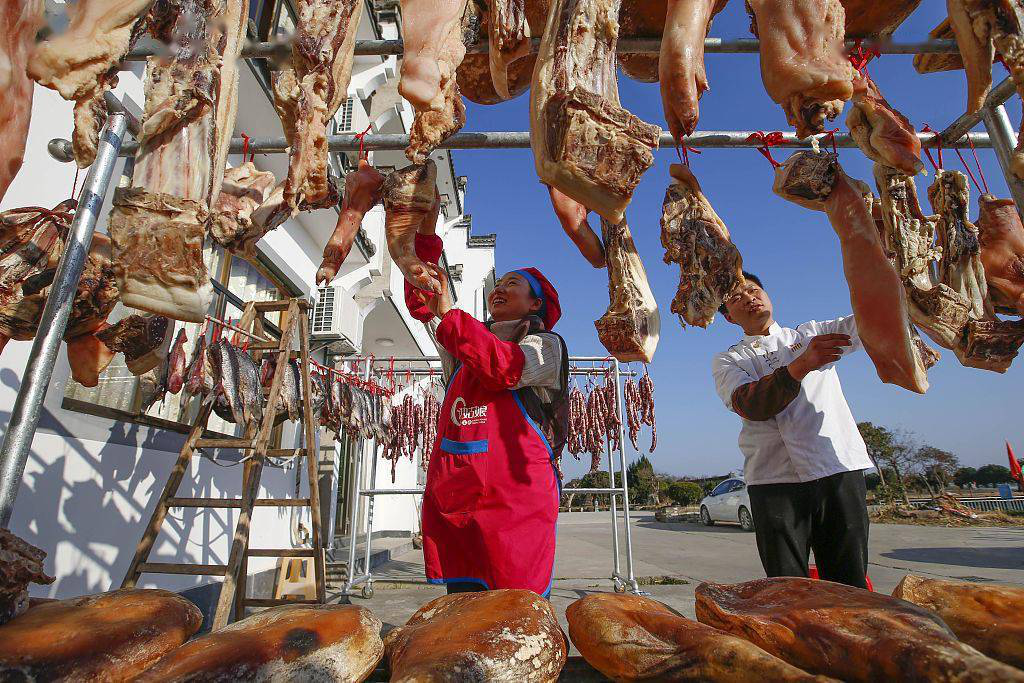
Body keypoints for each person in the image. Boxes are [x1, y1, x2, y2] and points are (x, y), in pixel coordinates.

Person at [403, 214, 568, 598]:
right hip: (461, 504)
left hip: (516, 511)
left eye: (513, 283)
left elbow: (505, 368)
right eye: (499, 282)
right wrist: (426, 236)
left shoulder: (546, 346)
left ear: (535, 304)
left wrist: (449, 314)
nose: (500, 288)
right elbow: (425, 304)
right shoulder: (461, 340)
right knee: (463, 617)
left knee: (516, 615)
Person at [711, 272, 872, 589]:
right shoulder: (729, 360)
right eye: (737, 298)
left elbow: (872, 322)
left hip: (837, 467)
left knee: (848, 579)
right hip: (773, 480)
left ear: (768, 295)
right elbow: (750, 403)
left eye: (754, 290)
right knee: (786, 586)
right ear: (728, 316)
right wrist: (802, 364)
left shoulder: (812, 334)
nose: (749, 298)